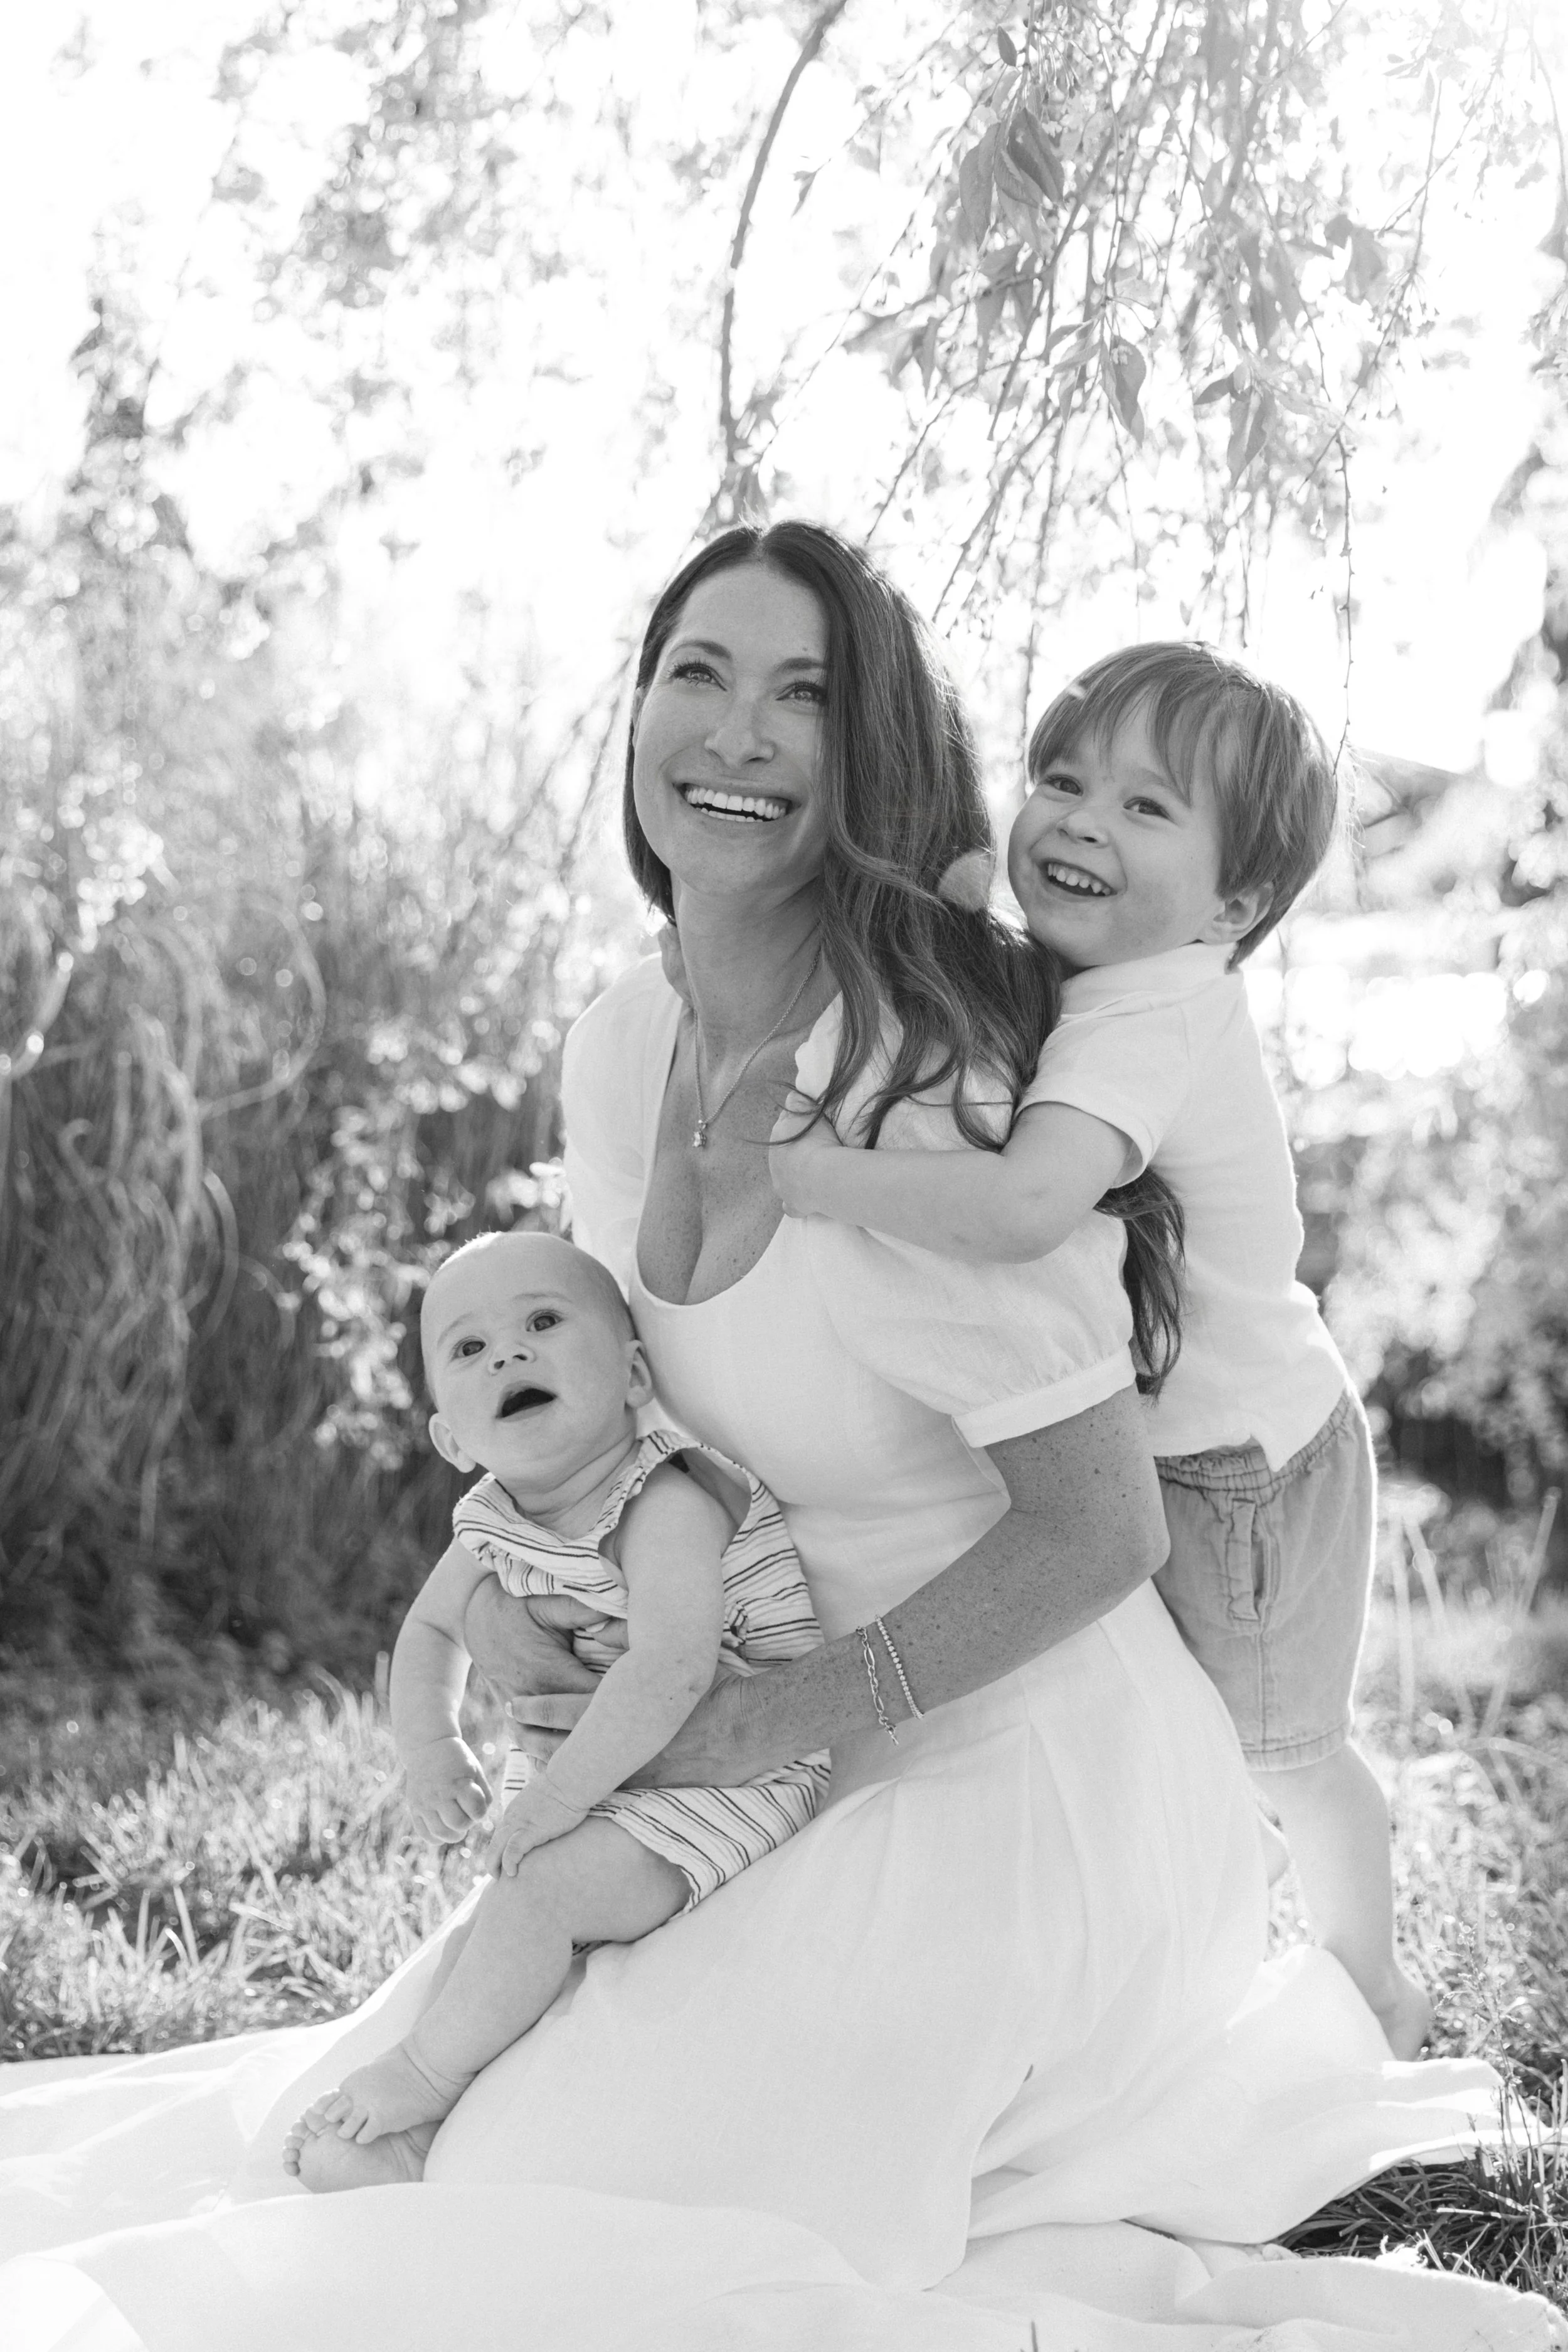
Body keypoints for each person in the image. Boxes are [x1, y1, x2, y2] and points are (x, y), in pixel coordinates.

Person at [0, 523, 1553, 2352]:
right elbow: (620, 1416)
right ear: (640, 712)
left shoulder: (925, 1088)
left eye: (802, 694)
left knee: (567, 2219)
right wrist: (526, 1598)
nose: (736, 733)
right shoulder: (617, 1037)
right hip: (748, 1743)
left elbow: (1101, 1533)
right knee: (395, 2141)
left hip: (1021, 1752)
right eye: (698, 673)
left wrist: (768, 1711)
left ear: (868, 754)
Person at [767, 641, 1431, 2058]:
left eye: (1146, 807)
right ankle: (1218, 1942)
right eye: (1060, 779)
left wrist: (814, 1177)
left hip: (1239, 1469)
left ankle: (1370, 1983)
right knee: (1192, 1732)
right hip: (1203, 1446)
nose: (1077, 819)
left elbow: (1021, 1207)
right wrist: (948, 904)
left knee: (1283, 1751)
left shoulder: (1154, 1008)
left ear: (1234, 903)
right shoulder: (1103, 978)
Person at [283, 1228, 828, 2190]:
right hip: (602, 1768)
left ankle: (420, 2077)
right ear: (454, 1439)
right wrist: (434, 1749)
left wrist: (560, 1799)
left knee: (540, 1895)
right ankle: (417, 2135)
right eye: (470, 1348)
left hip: (732, 1765)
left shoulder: (665, 1496)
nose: (509, 1354)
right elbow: (427, 1634)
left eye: (542, 1321)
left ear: (632, 1376)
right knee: (496, 1926)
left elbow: (673, 1669)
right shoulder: (498, 1516)